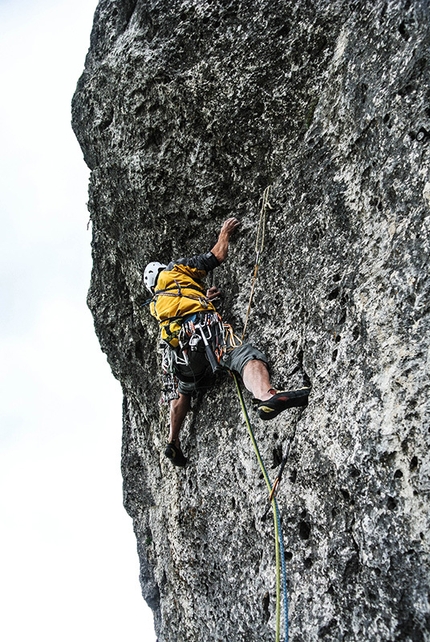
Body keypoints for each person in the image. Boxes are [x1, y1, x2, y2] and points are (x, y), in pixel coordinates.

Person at [144, 217, 310, 467]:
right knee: (243, 354)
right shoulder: (176, 269)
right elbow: (216, 257)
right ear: (163, 270)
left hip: (180, 352)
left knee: (183, 391)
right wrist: (224, 234)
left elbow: (183, 304)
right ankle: (267, 396)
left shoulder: (157, 304)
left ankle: (173, 440)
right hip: (204, 332)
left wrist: (203, 297)